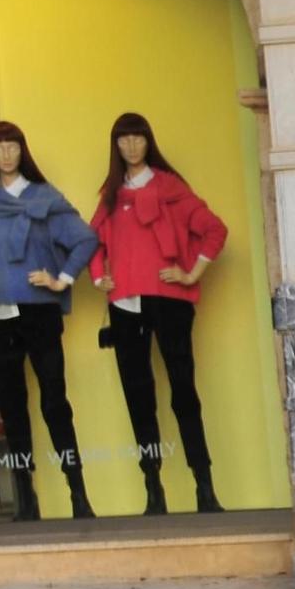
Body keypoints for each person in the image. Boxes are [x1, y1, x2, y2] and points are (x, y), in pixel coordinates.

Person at [0, 121, 99, 522]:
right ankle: (25, 498)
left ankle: (78, 493)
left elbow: (86, 239)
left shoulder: (44, 198)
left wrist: (61, 278)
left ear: (22, 150)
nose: (5, 154)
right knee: (13, 407)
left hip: (39, 311)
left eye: (12, 145)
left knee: (55, 401)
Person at [89, 112, 228, 515]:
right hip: (125, 304)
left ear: (149, 142)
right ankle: (154, 488)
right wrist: (100, 278)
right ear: (115, 146)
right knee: (138, 395)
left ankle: (205, 486)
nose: (132, 146)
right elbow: (91, 242)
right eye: (124, 139)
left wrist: (190, 273)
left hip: (169, 300)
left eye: (138, 138)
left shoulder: (171, 188)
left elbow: (215, 230)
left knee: (184, 391)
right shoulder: (111, 195)